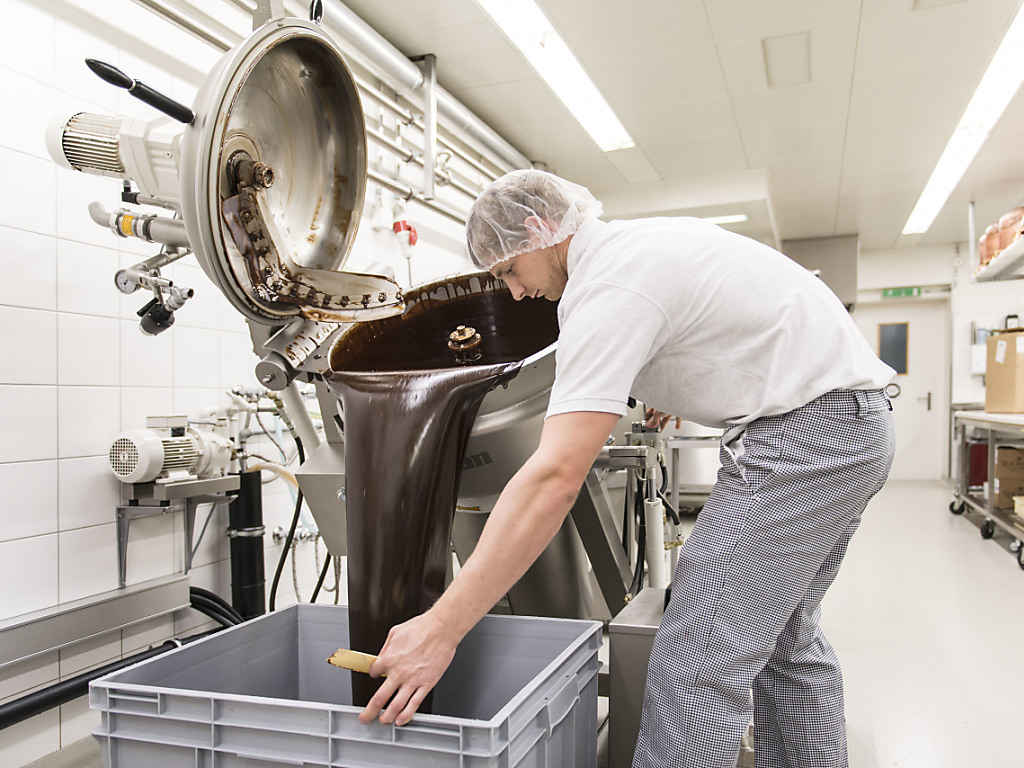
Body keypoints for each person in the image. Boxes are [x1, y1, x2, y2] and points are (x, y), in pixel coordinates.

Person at [357, 169, 895, 768]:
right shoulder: (632, 250)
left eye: (508, 270)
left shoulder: (608, 288)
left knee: (695, 659)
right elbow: (715, 316)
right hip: (850, 423)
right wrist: (670, 377)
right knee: (788, 648)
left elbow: (554, 477)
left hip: (808, 438)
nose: (511, 292)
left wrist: (442, 626)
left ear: (538, 229)